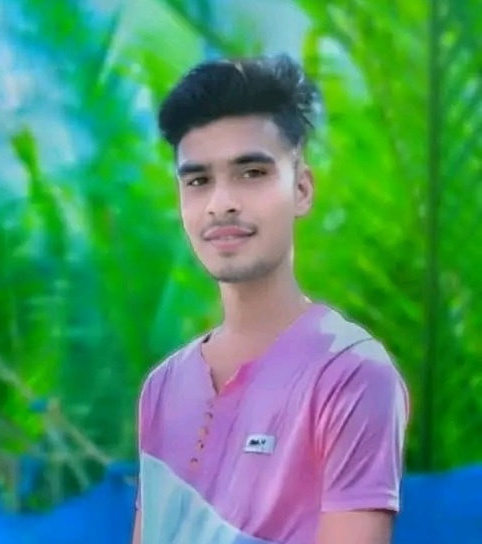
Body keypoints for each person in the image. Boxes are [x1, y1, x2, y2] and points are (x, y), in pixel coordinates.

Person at [131, 54, 409, 544]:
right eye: (198, 181)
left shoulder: (350, 374)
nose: (221, 203)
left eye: (252, 173)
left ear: (301, 189)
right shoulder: (163, 387)